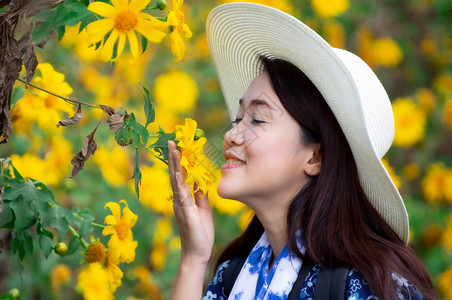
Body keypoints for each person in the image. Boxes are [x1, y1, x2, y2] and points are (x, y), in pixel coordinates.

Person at [167, 3, 437, 299]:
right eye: (237, 119)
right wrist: (193, 259)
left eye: (257, 118)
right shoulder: (233, 274)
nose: (231, 135)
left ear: (315, 157)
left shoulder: (368, 286)